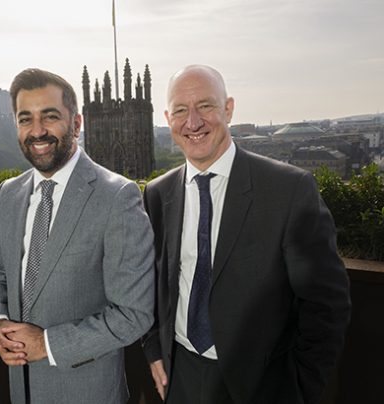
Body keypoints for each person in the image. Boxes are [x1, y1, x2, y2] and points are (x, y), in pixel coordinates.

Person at [141, 64, 351, 404]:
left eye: (205, 106)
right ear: (168, 118)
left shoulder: (288, 189)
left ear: (228, 109)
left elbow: (326, 304)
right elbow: (151, 284)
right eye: (181, 110)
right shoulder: (157, 194)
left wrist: (299, 389)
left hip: (262, 385)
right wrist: (153, 349)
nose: (192, 122)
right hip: (179, 377)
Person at [0, 68, 155, 404]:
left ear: (76, 123)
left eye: (50, 116)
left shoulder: (118, 197)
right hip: (22, 390)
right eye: (25, 119)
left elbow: (134, 314)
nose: (37, 131)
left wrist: (46, 345)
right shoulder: (7, 195)